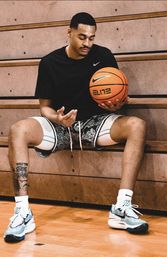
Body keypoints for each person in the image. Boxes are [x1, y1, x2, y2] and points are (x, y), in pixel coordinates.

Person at [4, 12, 148, 243]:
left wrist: (115, 104)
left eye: (91, 38)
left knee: (137, 125)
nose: (87, 43)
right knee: (18, 129)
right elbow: (45, 108)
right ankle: (23, 212)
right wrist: (58, 119)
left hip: (96, 124)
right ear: (69, 32)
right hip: (61, 126)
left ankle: (122, 207)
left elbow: (113, 99)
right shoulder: (50, 62)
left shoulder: (104, 56)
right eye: (82, 37)